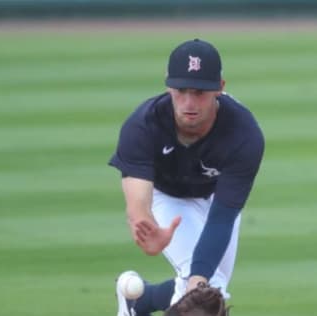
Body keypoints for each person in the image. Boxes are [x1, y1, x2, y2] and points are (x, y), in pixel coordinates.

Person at [109, 38, 264, 316]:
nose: (189, 102)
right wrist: (145, 224)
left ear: (220, 88)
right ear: (168, 86)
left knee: (204, 288)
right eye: (181, 90)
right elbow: (138, 200)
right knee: (208, 290)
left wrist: (197, 281)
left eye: (200, 92)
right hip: (165, 195)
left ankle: (139, 302)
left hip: (215, 197)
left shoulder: (244, 135)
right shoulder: (143, 125)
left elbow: (223, 216)